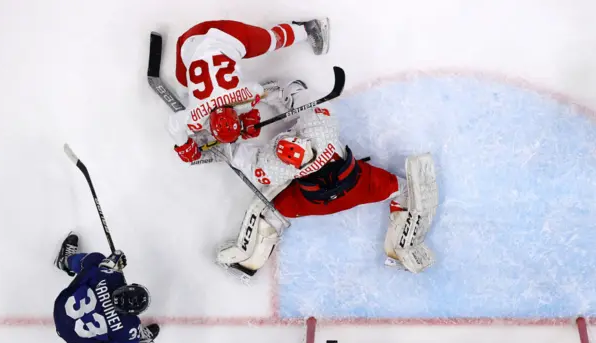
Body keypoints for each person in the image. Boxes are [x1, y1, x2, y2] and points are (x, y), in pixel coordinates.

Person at [213, 104, 439, 281]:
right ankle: (399, 247)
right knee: (405, 189)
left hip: (311, 203)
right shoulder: (322, 132)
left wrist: (224, 141)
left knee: (271, 214)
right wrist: (282, 97)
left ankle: (247, 263)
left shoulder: (274, 167)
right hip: (360, 187)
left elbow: (242, 160)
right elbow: (308, 103)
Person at [167, 19, 330, 164]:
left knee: (271, 40)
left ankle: (306, 28)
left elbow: (258, 89)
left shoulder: (243, 94)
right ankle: (305, 29)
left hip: (224, 36)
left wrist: (245, 119)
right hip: (188, 42)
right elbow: (174, 124)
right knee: (184, 83)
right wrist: (184, 146)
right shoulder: (194, 117)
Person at [53, 233, 159, 343]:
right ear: (133, 314)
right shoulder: (128, 327)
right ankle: (137, 340)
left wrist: (110, 264)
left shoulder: (108, 276)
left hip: (60, 309)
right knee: (124, 336)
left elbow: (106, 265)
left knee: (95, 260)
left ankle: (65, 261)